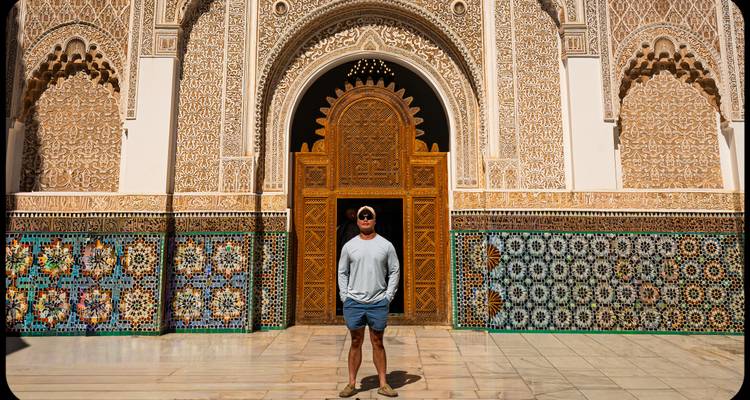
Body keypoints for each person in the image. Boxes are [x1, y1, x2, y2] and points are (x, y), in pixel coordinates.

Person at [337, 206, 400, 398]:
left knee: (377, 341)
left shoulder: (386, 245)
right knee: (355, 341)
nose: (365, 220)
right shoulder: (350, 246)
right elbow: (342, 271)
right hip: (354, 301)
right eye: (362, 217)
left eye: (369, 217)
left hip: (378, 302)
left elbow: (395, 271)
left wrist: (388, 295)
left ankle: (383, 383)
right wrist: (345, 296)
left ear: (374, 220)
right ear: (357, 221)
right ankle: (352, 383)